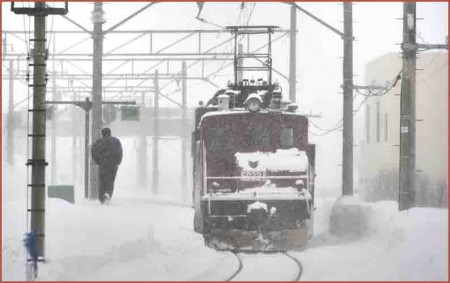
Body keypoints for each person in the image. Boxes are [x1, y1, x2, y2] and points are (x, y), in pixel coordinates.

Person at [91, 127, 123, 204]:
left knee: (102, 180)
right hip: (113, 165)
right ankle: (108, 193)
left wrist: (98, 162)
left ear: (102, 134)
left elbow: (94, 152)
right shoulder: (116, 141)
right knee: (110, 180)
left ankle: (102, 196)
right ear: (110, 133)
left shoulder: (99, 142)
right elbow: (120, 153)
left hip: (103, 165)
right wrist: (117, 162)